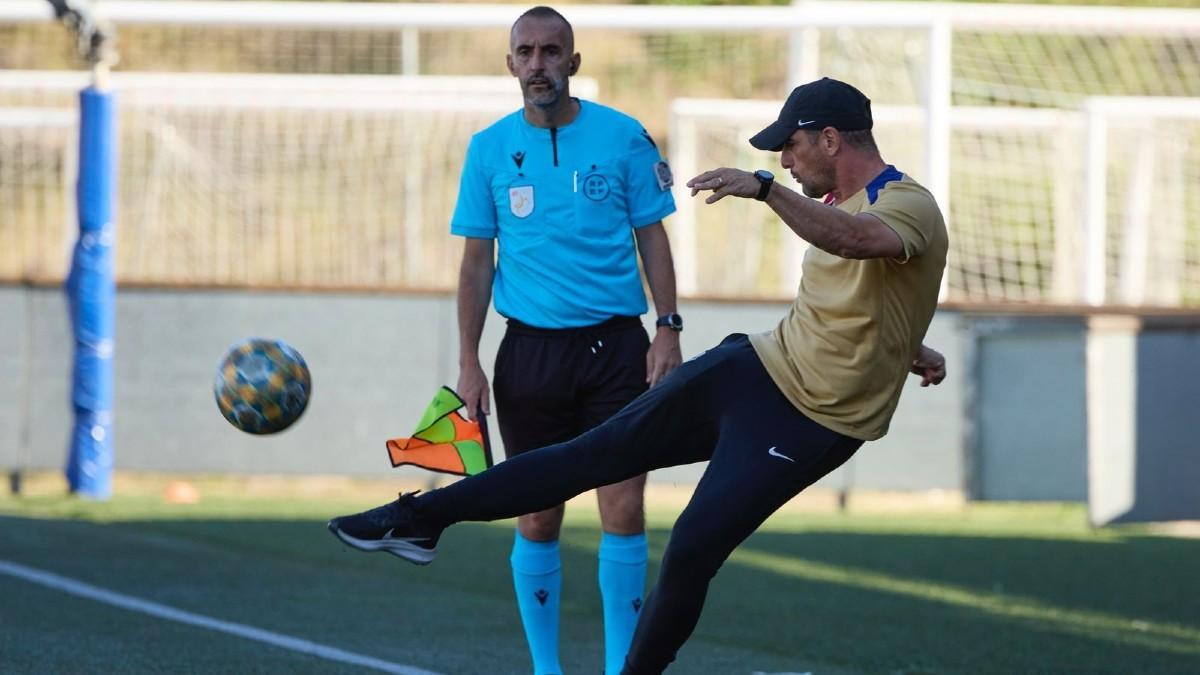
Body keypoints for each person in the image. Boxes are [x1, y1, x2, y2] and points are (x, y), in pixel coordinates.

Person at [329, 76, 949, 674]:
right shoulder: (839, 206)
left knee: (690, 548)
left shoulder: (907, 203)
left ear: (831, 140)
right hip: (754, 367)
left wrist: (764, 190)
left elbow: (858, 243)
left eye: (791, 144)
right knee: (589, 455)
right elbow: (862, 294)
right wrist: (907, 344)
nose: (785, 159)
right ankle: (419, 520)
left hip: (813, 421)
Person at [383, 7, 680, 675]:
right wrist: (469, 360)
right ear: (511, 63)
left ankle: (620, 669)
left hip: (617, 349)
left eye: (552, 51)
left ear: (573, 62)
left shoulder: (625, 137)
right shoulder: (488, 148)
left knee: (624, 505)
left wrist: (667, 325)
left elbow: (652, 236)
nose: (539, 63)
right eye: (527, 51)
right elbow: (475, 262)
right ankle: (547, 669)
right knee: (539, 513)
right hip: (529, 354)